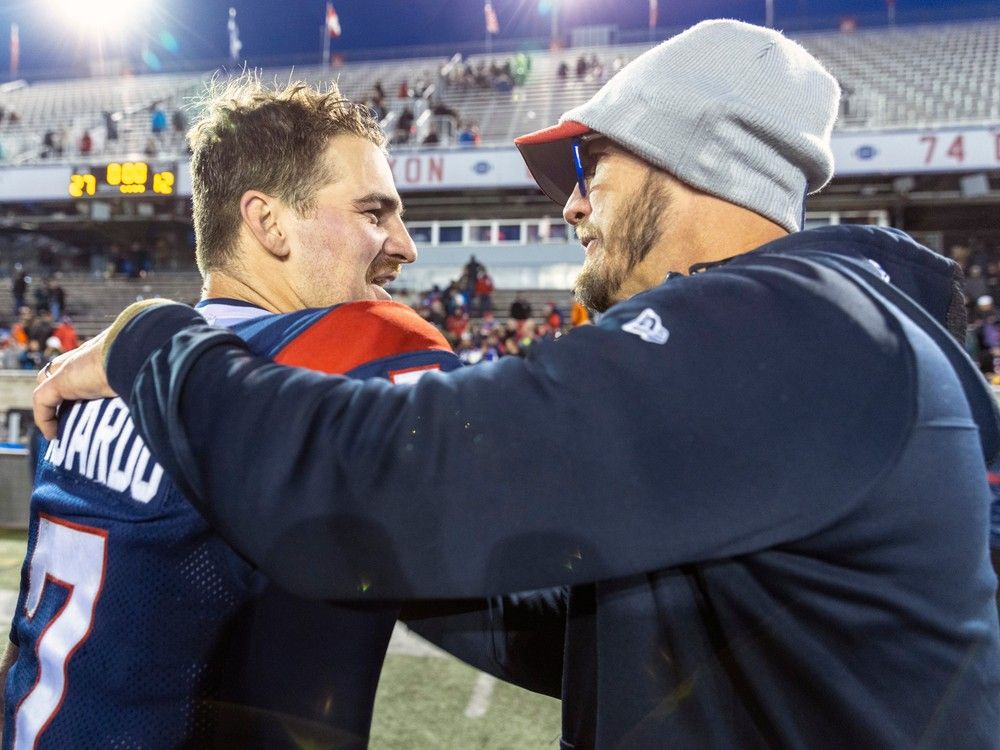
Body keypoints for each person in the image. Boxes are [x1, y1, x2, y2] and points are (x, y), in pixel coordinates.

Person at [34, 20, 1000, 748]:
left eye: (592, 164)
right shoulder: (829, 335)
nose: (574, 203)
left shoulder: (793, 325)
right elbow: (599, 630)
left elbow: (395, 475)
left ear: (689, 159)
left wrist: (151, 339)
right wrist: (397, 558)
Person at [3, 76, 469, 749]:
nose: (404, 244)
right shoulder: (353, 350)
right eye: (374, 213)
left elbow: (27, 650)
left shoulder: (84, 386)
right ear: (269, 222)